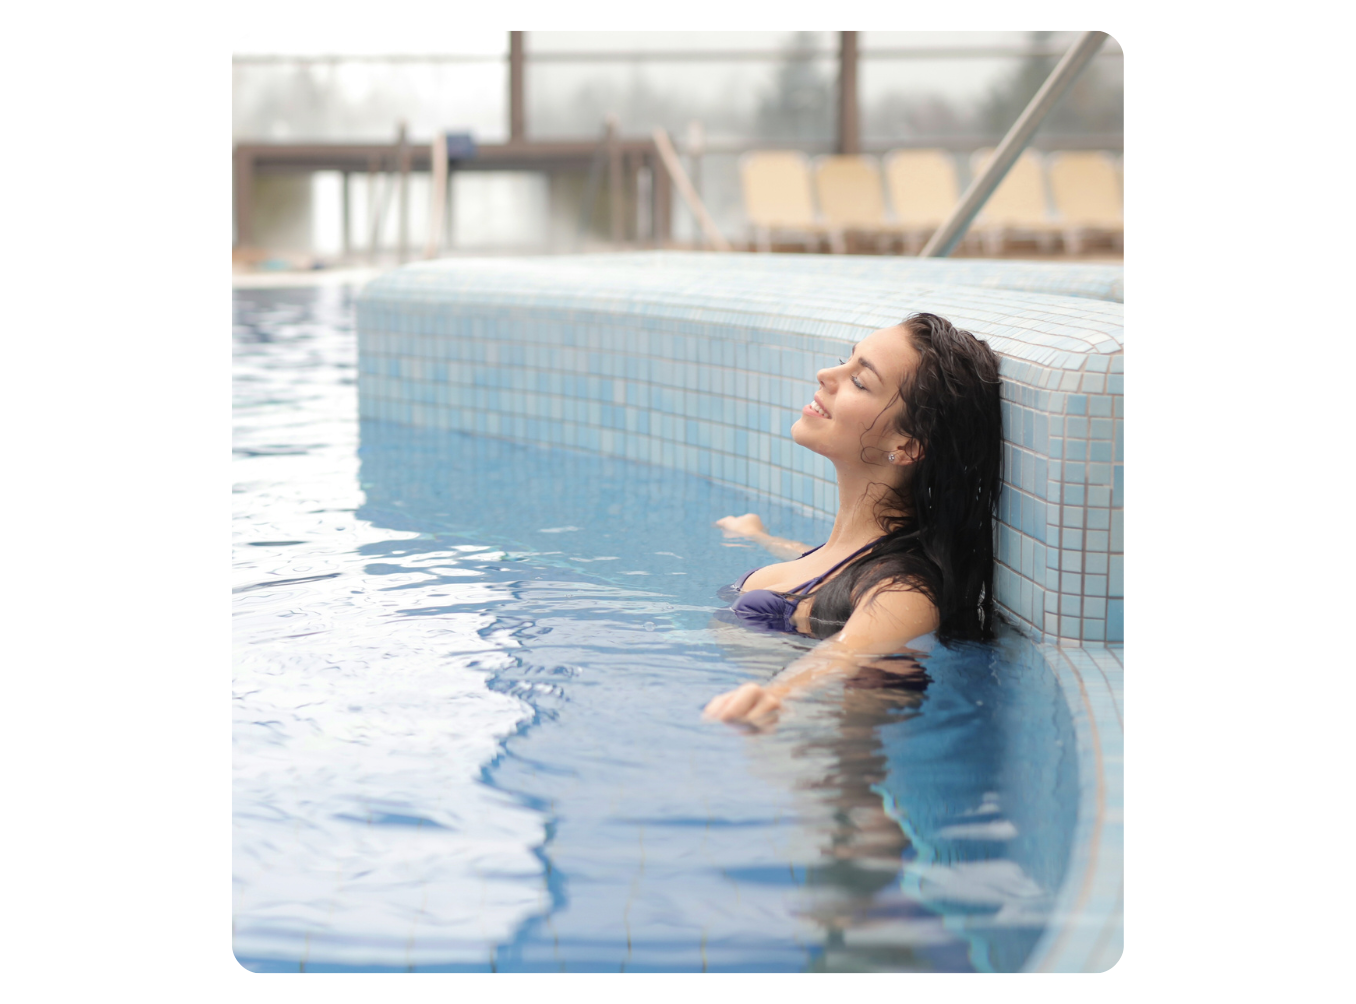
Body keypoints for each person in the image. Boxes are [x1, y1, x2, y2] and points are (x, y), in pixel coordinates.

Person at [703, 312, 1003, 724]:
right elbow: (820, 559)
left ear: (908, 445)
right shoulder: (849, 555)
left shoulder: (903, 593)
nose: (826, 374)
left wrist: (779, 695)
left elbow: (848, 650)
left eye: (860, 381)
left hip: (815, 766)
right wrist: (758, 535)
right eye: (847, 361)